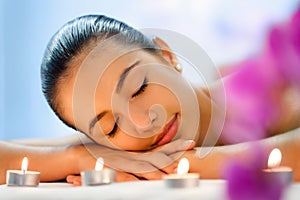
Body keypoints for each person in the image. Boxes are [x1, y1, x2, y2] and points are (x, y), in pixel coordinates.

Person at [1, 13, 300, 185]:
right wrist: (77, 157)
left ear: (167, 55)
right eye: (112, 128)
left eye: (140, 87)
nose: (143, 122)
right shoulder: (123, 150)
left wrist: (188, 164)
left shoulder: (267, 85)